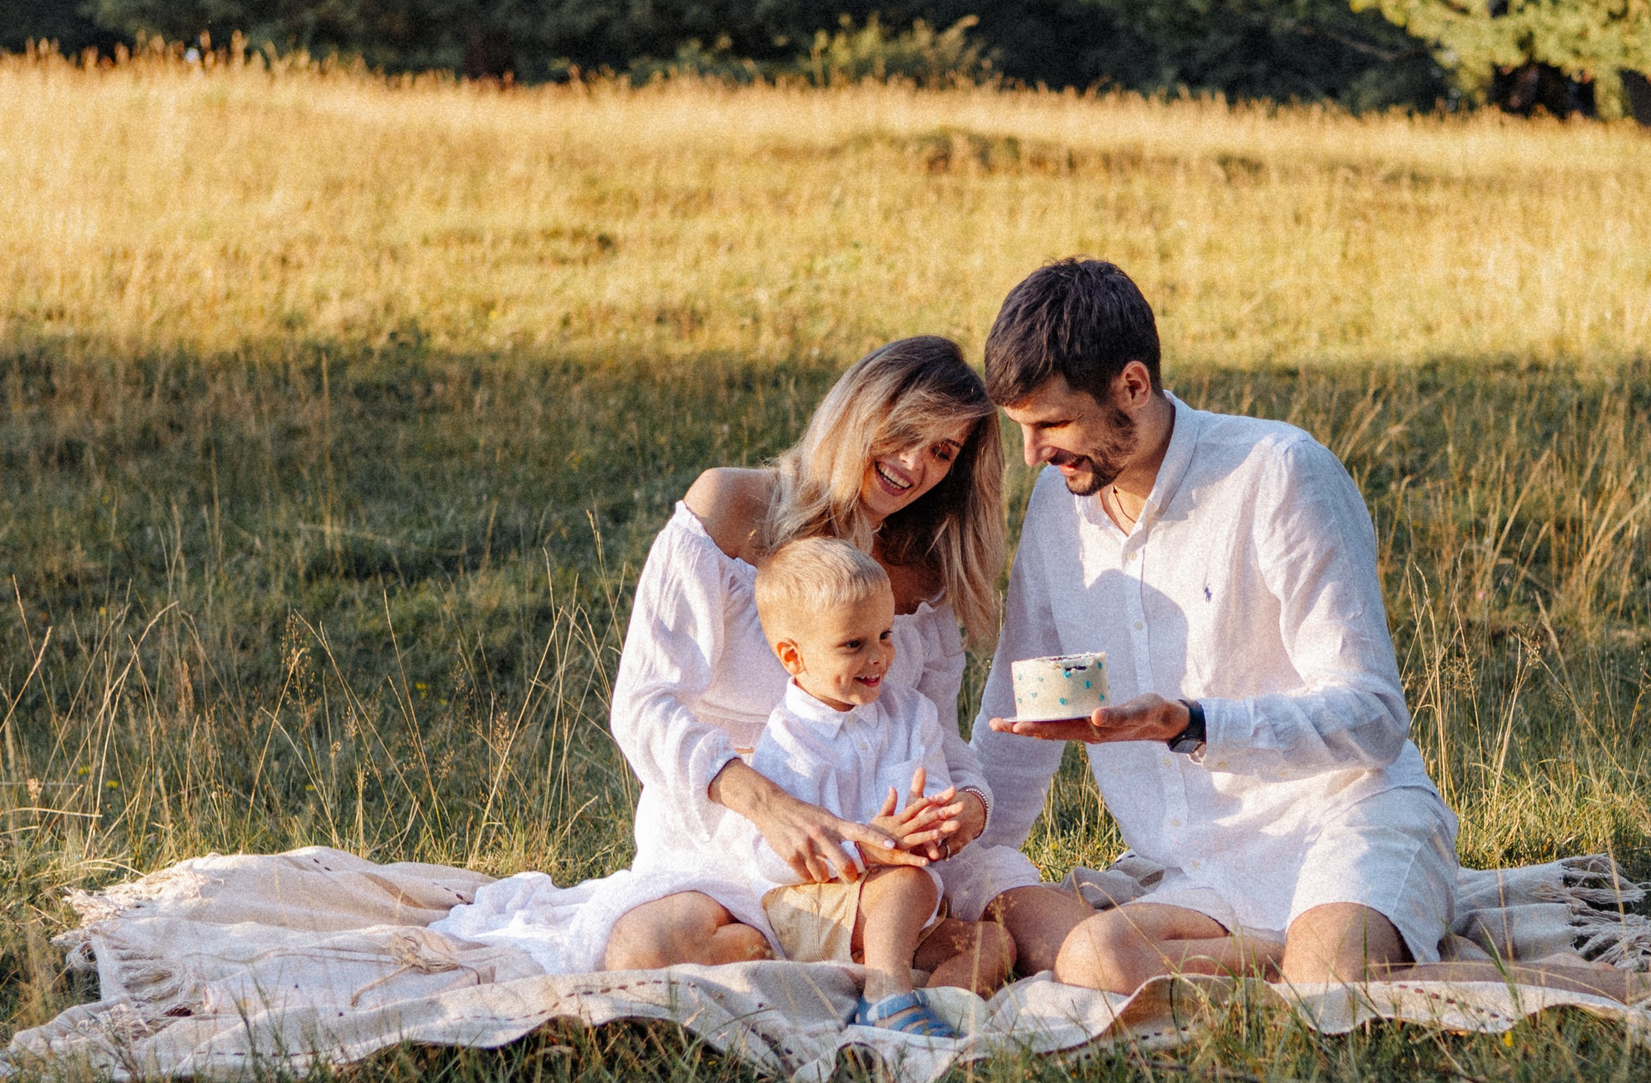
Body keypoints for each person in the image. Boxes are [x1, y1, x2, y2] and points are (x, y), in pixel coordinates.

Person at [434, 336, 1048, 991]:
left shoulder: (924, 569)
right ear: (857, 411)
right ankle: (808, 961)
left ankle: (863, 976)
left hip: (864, 858)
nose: (912, 463)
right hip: (726, 841)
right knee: (644, 952)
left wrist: (966, 809)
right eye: (904, 432)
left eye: (941, 451)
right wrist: (769, 804)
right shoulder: (731, 507)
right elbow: (641, 705)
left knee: (982, 934)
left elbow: (941, 739)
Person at [973, 258, 1465, 991]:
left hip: (1347, 819)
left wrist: (1193, 723)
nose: (1033, 453)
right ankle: (1281, 961)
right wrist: (966, 856)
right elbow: (1016, 724)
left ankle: (1322, 954)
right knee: (1088, 955)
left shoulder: (1280, 472)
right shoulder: (1056, 508)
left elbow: (1375, 716)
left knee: (1330, 974)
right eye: (1022, 427)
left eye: (1052, 423)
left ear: (1132, 387)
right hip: (1204, 873)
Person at [712, 538, 967, 1034]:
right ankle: (888, 992)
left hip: (897, 910)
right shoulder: (788, 741)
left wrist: (932, 824)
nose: (879, 658)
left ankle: (931, 1012)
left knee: (992, 945)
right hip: (814, 908)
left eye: (886, 635)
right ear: (793, 656)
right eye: (854, 644)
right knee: (907, 883)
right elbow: (770, 858)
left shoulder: (911, 713)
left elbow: (934, 789)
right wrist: (868, 845)